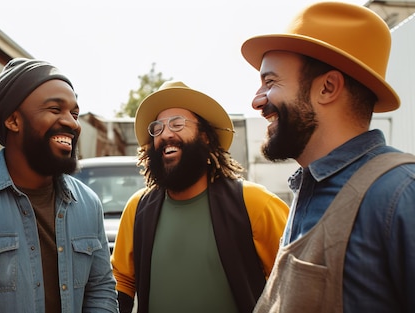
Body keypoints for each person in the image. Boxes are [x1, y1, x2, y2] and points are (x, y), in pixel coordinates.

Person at [240, 2, 415, 312]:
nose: (257, 101)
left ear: (328, 88)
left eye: (270, 82)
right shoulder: (308, 188)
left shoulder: (401, 193)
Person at [0, 58, 119, 313]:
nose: (72, 123)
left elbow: (101, 290)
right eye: (54, 109)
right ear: (13, 120)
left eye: (74, 113)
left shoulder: (88, 203)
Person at [111, 80, 289, 313]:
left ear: (205, 137)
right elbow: (122, 281)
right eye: (158, 128)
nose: (166, 134)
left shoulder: (254, 202)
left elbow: (295, 281)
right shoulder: (138, 208)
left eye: (177, 124)